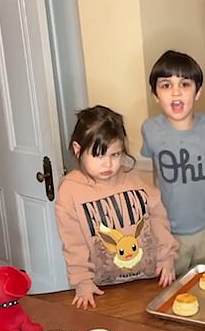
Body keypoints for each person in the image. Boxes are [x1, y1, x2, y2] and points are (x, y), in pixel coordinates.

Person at [55, 105, 179, 309]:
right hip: (103, 291)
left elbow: (158, 218)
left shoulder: (133, 177)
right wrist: (82, 282)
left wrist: (167, 258)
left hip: (149, 281)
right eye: (99, 155)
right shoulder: (69, 191)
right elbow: (73, 244)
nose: (108, 164)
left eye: (115, 155)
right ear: (78, 150)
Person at [141, 50, 205, 276]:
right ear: (155, 95)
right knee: (172, 291)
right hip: (170, 231)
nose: (176, 92)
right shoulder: (151, 129)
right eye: (166, 86)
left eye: (184, 84)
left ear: (198, 92)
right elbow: (148, 177)